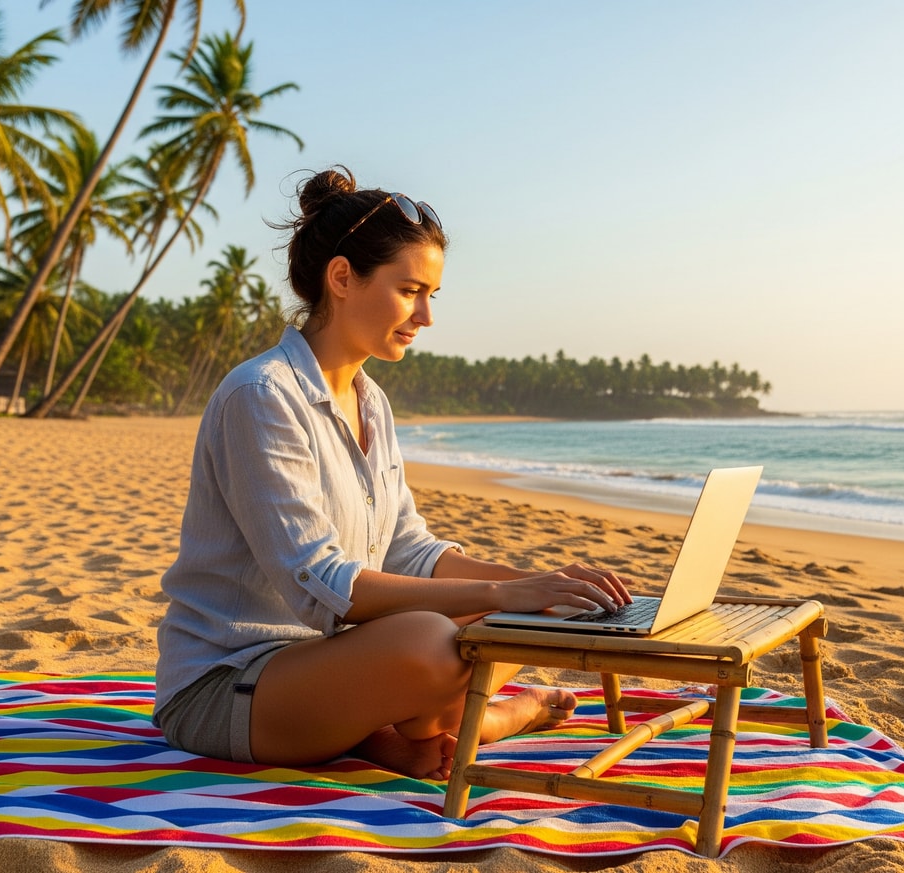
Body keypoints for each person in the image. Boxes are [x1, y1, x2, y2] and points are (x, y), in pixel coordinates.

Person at [153, 167, 632, 779]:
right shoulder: (261, 395)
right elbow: (323, 583)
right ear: (343, 278)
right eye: (411, 290)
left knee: (533, 616)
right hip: (229, 685)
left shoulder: (370, 400)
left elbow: (409, 549)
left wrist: (546, 586)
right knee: (433, 643)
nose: (426, 315)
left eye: (431, 294)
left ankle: (393, 732)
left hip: (334, 666)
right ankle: (484, 720)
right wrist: (504, 595)